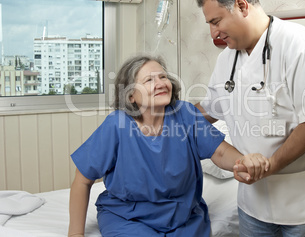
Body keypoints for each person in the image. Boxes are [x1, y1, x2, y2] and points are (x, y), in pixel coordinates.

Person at [195, 0, 305, 237]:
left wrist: (270, 166)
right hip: (252, 203)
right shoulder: (226, 60)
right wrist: (161, 116)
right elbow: (210, 109)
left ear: (242, 6)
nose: (213, 32)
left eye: (216, 21)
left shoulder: (299, 44)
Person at [68, 54, 269, 237]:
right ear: (131, 96)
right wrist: (75, 234)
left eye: (163, 77)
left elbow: (220, 151)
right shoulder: (116, 125)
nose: (160, 83)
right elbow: (82, 180)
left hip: (183, 218)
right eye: (149, 80)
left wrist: (243, 161)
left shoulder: (186, 114)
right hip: (128, 217)